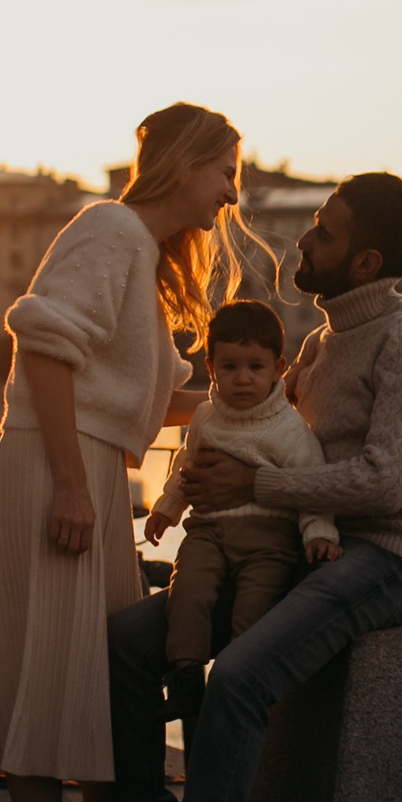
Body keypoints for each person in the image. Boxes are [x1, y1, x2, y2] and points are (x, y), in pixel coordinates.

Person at [79, 171, 402, 802]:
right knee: (127, 643)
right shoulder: (321, 345)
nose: (302, 241)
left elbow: (387, 481)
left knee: (242, 676)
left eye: (322, 231)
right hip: (305, 545)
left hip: (394, 555)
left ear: (364, 259)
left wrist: (252, 484)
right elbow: (269, 440)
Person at [0, 102, 248, 802]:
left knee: (95, 674)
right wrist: (74, 487)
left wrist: (267, 396)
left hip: (85, 466)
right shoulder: (109, 229)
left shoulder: (138, 252)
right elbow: (44, 349)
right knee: (49, 669)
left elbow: (142, 403)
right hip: (59, 468)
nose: (232, 194)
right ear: (187, 162)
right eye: (226, 172)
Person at [144, 299, 340, 720]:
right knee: (186, 592)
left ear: (278, 368)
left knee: (254, 610)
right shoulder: (205, 417)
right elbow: (187, 465)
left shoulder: (289, 429)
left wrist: (319, 532)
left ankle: (237, 687)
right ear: (211, 368)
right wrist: (167, 507)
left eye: (255, 367)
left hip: (267, 540)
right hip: (207, 532)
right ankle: (186, 678)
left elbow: (311, 485)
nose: (243, 378)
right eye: (229, 367)